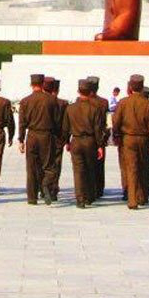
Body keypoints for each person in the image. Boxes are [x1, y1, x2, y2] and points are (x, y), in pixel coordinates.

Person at [112, 74, 149, 210]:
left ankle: (132, 200)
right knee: (143, 167)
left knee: (131, 168)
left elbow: (116, 121)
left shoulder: (123, 102)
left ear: (130, 87)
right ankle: (143, 196)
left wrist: (116, 135)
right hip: (144, 139)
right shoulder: (148, 104)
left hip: (128, 138)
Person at [63, 79, 109, 208]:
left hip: (76, 141)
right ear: (90, 92)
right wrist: (100, 145)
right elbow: (98, 129)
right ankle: (89, 196)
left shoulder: (70, 108)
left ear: (78, 91)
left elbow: (65, 128)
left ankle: (80, 199)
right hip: (90, 141)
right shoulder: (95, 109)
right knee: (90, 169)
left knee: (78, 171)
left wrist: (67, 141)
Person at [17, 73, 60, 205]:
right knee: (49, 166)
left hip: (32, 136)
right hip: (46, 135)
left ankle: (32, 197)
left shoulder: (25, 101)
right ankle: (46, 184)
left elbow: (22, 122)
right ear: (43, 84)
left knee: (31, 168)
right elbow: (57, 120)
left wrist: (21, 139)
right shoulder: (51, 100)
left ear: (31, 85)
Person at [44, 77, 69, 202]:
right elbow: (66, 124)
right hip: (58, 137)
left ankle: (43, 186)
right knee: (56, 164)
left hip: (45, 136)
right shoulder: (63, 103)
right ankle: (53, 188)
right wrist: (66, 139)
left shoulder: (43, 101)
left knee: (44, 163)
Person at [86, 76, 109, 200]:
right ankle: (99, 189)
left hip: (86, 135)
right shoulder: (103, 102)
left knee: (86, 164)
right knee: (99, 165)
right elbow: (108, 121)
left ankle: (88, 188)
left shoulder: (83, 101)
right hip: (100, 136)